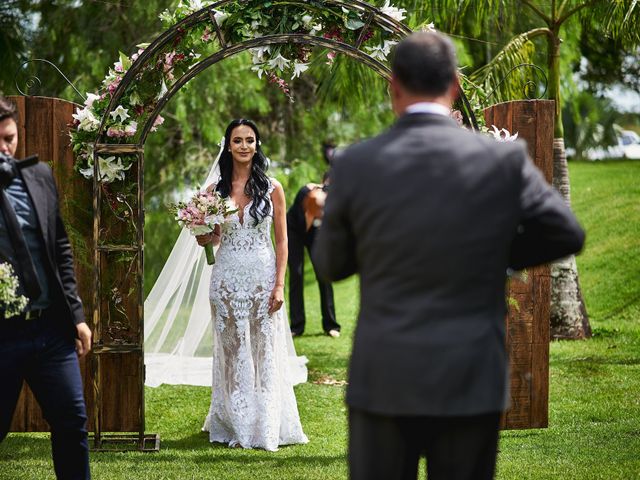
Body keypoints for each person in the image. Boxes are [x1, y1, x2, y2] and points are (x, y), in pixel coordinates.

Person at [313, 32, 585, 480]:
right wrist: (495, 253)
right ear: (456, 85)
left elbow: (330, 265)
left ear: (394, 87)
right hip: (471, 377)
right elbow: (565, 232)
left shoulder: (357, 163)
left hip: (385, 377)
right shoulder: (501, 158)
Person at [196, 119, 308, 451]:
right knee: (230, 350)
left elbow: (283, 242)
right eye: (238, 140)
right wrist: (203, 237)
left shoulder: (272, 188)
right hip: (226, 278)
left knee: (263, 349)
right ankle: (233, 419)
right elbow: (215, 238)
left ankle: (266, 420)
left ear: (257, 145)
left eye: (250, 140)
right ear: (228, 146)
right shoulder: (214, 191)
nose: (244, 146)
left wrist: (279, 285)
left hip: (261, 278)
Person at [0, 96, 91, 479]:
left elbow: (60, 248)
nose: (4, 149)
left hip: (51, 329)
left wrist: (77, 316)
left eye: (9, 138)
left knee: (72, 422)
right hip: (2, 335)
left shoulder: (39, 176)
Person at [287, 170, 340, 338]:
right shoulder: (307, 192)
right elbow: (307, 220)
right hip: (294, 230)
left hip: (315, 231)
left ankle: (331, 325)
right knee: (296, 273)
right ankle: (297, 326)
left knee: (323, 274)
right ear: (322, 183)